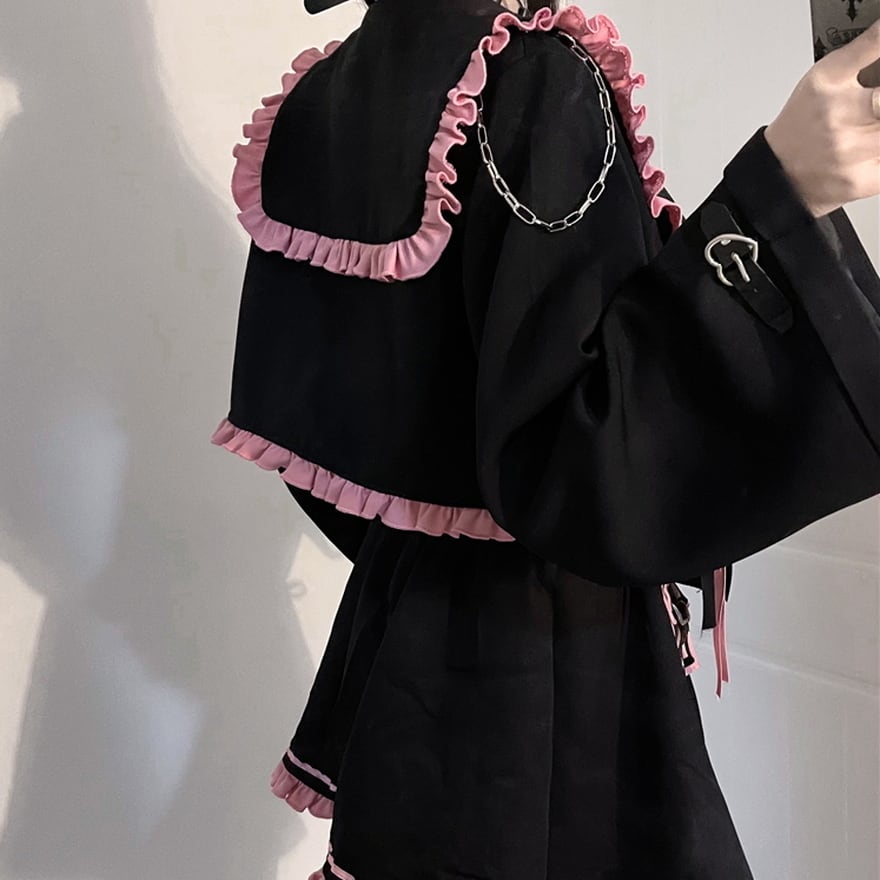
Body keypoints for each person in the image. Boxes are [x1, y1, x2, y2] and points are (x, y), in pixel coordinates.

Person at [210, 0, 880, 876]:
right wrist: (779, 194)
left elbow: (318, 427)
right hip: (545, 665)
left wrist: (436, 531)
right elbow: (584, 462)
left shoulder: (331, 90)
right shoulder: (536, 79)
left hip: (405, 630)